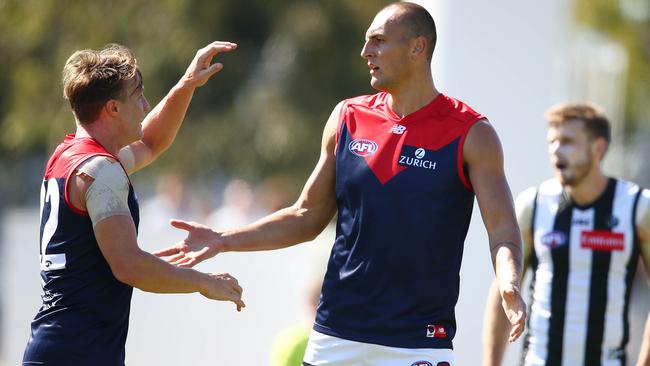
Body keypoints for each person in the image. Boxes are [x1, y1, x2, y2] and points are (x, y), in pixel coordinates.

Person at [157, 2, 526, 365]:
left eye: (379, 40)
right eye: (367, 41)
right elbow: (305, 216)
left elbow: (504, 231)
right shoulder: (348, 117)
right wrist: (223, 240)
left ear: (418, 47)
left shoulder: (471, 133)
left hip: (417, 343)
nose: (366, 51)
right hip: (335, 337)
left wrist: (509, 279)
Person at [22, 41, 245, 366]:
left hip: (59, 346)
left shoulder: (71, 157)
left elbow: (152, 143)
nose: (145, 105)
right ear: (113, 108)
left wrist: (187, 84)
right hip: (78, 353)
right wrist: (206, 283)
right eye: (138, 96)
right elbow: (128, 266)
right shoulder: (101, 170)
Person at [482, 103, 650, 366]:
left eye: (568, 141)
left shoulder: (638, 207)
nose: (556, 151)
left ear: (598, 148)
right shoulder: (534, 204)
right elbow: (504, 291)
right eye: (552, 142)